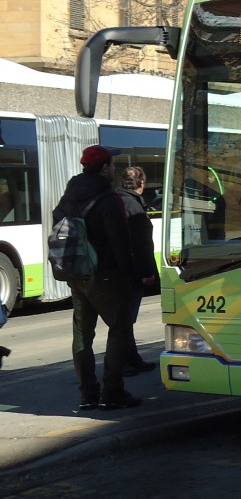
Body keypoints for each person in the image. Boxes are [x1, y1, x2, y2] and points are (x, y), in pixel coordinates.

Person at [53, 145, 143, 411]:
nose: (113, 168)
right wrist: (130, 276)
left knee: (82, 334)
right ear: (104, 168)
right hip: (106, 275)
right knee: (120, 328)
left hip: (77, 273)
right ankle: (112, 391)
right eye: (111, 165)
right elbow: (120, 242)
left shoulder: (68, 197)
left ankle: (88, 394)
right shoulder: (107, 199)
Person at [115, 166, 158, 376]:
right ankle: (122, 362)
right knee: (126, 319)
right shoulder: (134, 206)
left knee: (125, 319)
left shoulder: (116, 200)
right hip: (132, 272)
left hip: (117, 270)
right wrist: (147, 272)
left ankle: (132, 359)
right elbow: (142, 244)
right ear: (141, 184)